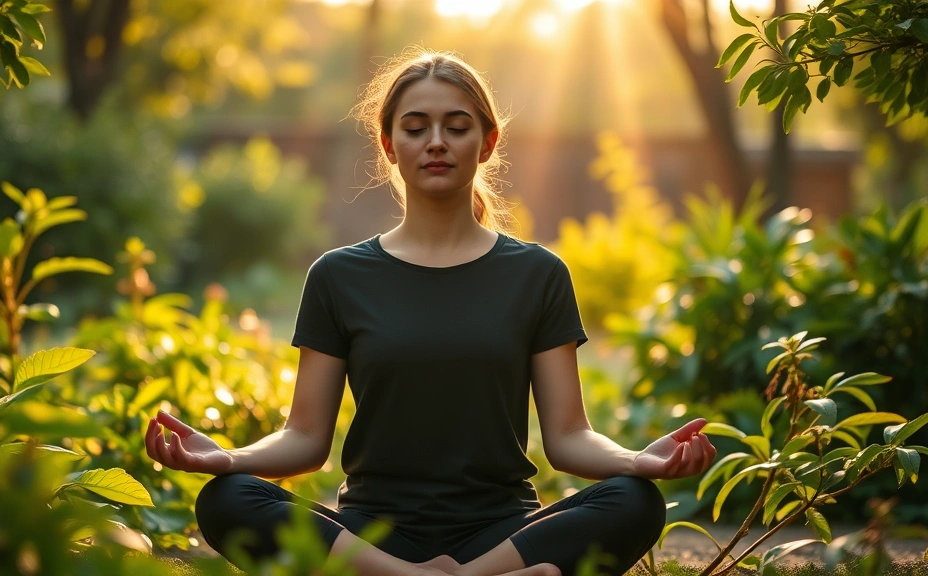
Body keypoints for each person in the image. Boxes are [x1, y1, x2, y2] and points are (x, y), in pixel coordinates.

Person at [144, 48, 717, 576]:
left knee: (634, 502)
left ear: (487, 143)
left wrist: (637, 463)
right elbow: (305, 436)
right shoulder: (338, 276)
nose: (436, 142)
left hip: (503, 531)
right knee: (227, 498)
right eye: (415, 128)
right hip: (374, 532)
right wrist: (227, 457)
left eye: (456, 127)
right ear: (389, 146)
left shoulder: (537, 274)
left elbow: (569, 437)